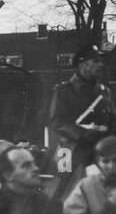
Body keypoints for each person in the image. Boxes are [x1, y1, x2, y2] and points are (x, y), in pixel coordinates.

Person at [48, 45, 112, 199]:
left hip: (98, 152)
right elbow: (57, 121)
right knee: (61, 193)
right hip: (70, 151)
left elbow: (112, 119)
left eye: (101, 61)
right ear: (82, 64)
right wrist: (83, 134)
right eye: (95, 61)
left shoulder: (104, 91)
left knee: (100, 194)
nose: (101, 65)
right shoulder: (63, 90)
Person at [61, 135, 116, 214]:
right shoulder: (87, 185)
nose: (111, 166)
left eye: (115, 160)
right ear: (98, 162)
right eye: (105, 161)